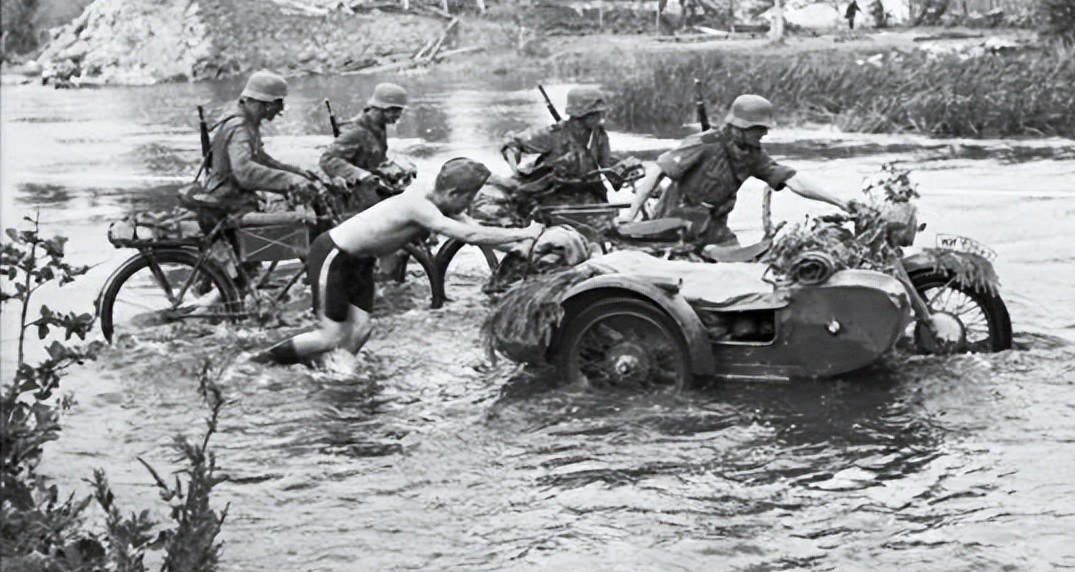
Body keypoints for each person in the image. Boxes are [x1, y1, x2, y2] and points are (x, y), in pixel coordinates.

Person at [257, 157, 542, 364]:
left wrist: (528, 245)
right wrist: (524, 232)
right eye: (469, 198)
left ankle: (335, 372)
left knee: (362, 329)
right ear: (453, 193)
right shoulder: (419, 204)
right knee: (331, 334)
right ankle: (261, 361)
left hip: (361, 261)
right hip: (335, 253)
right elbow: (467, 234)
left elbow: (476, 233)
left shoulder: (443, 202)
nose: (469, 205)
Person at [623, 94, 853, 247]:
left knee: (742, 271)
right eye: (759, 129)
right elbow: (658, 171)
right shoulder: (706, 141)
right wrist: (630, 215)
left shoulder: (753, 155)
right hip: (675, 222)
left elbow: (794, 180)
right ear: (742, 127)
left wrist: (839, 202)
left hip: (714, 227)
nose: (764, 133)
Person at [189, 70, 317, 222]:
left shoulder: (248, 123)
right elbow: (243, 171)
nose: (281, 109)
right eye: (278, 102)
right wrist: (290, 180)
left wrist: (296, 172)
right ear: (266, 103)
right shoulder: (239, 127)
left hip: (236, 199)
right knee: (301, 219)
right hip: (228, 206)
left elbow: (261, 160)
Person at [500, 85, 640, 207]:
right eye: (596, 114)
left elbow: (607, 163)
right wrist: (514, 161)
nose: (601, 118)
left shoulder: (599, 135)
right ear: (581, 114)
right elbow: (513, 143)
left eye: (601, 113)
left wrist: (626, 172)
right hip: (554, 199)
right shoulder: (554, 135)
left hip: (590, 198)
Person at [319, 82, 408, 203]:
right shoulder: (356, 131)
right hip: (353, 193)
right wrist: (362, 175)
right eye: (395, 110)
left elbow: (376, 158)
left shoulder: (378, 127)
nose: (398, 115)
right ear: (380, 108)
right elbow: (327, 159)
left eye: (400, 110)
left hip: (371, 187)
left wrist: (392, 170)